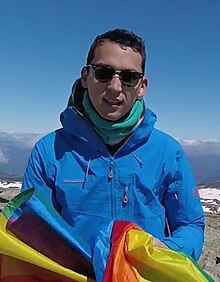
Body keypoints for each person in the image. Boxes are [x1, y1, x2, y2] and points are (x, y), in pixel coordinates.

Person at [21, 29, 205, 262]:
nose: (115, 87)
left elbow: (190, 223)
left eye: (129, 77)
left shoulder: (167, 151)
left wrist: (167, 252)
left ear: (141, 87)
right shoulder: (49, 151)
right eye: (104, 73)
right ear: (85, 77)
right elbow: (31, 227)